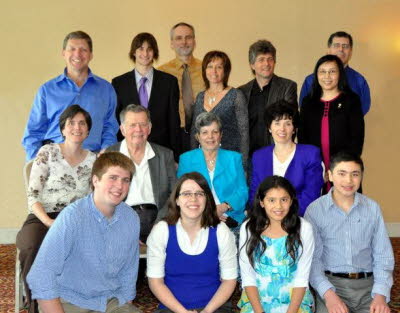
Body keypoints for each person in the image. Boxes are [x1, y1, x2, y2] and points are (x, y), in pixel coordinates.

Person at [27, 152, 141, 313]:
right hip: (69, 301)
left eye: (126, 180)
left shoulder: (131, 218)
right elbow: (41, 274)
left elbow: (129, 269)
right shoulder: (72, 217)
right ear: (95, 180)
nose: (120, 186)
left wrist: (126, 304)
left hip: (109, 301)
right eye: (113, 178)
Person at [16, 105, 96, 313]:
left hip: (76, 219)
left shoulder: (93, 159)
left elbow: (95, 198)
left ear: (88, 130)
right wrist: (49, 222)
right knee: (31, 246)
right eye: (71, 123)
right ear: (62, 129)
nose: (76, 127)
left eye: (82, 123)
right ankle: (36, 305)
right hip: (43, 216)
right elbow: (33, 195)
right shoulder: (47, 152)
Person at [304, 152, 394, 313]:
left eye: (355, 174)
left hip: (369, 287)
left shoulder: (372, 208)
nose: (348, 180)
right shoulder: (315, 210)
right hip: (332, 286)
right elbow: (313, 260)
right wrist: (328, 295)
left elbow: (383, 256)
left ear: (361, 177)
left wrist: (380, 294)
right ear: (330, 175)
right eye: (342, 173)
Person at [147, 172, 237, 312]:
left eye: (199, 194)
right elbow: (155, 282)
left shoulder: (221, 231)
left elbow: (229, 280)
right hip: (172, 309)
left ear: (207, 199)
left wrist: (207, 311)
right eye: (186, 194)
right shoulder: (161, 231)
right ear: (176, 200)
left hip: (214, 308)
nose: (193, 199)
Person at [22, 30, 119, 161]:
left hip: (94, 161)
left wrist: (106, 154)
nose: (77, 54)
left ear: (91, 55)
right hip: (54, 161)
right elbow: (33, 133)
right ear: (63, 53)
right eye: (72, 49)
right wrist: (36, 165)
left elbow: (110, 127)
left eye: (83, 50)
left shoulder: (106, 89)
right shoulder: (47, 90)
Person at [238, 176, 315, 313]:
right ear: (262, 202)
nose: (278, 206)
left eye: (284, 200)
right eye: (271, 200)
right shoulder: (248, 228)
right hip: (257, 302)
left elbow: (302, 277)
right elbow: (247, 276)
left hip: (294, 302)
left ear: (291, 201)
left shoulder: (304, 228)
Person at [107, 104, 176, 242]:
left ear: (149, 128)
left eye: (143, 124)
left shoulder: (164, 155)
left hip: (159, 220)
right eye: (132, 125)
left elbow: (174, 194)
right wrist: (125, 228)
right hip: (120, 221)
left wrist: (159, 225)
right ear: (122, 129)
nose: (138, 129)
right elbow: (104, 197)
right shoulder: (109, 155)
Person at [112, 32, 180, 159]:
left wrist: (175, 156)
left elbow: (174, 121)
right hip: (129, 151)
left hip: (161, 150)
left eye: (149, 49)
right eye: (140, 49)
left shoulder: (169, 82)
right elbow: (117, 120)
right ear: (134, 52)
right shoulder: (119, 83)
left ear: (154, 53)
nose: (145, 53)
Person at [298, 54, 364, 185]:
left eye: (332, 71)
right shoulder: (308, 102)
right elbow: (302, 138)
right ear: (316, 75)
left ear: (340, 74)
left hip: (344, 171)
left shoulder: (351, 100)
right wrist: (316, 168)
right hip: (315, 169)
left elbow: (357, 139)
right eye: (322, 72)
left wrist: (340, 169)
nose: (327, 76)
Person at [249, 100, 323, 216]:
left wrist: (283, 217)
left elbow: (311, 195)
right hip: (266, 219)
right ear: (269, 127)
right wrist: (268, 218)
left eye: (288, 123)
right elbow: (255, 194)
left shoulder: (310, 154)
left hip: (299, 218)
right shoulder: (259, 156)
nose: (282, 129)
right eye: (277, 123)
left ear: (294, 128)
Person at [178, 112, 247, 227]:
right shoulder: (186, 159)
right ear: (198, 136)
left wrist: (223, 207)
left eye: (215, 132)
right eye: (205, 132)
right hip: (197, 216)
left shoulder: (234, 158)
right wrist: (207, 212)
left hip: (230, 216)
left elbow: (242, 191)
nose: (210, 137)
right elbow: (182, 193)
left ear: (221, 135)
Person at [239, 40, 298, 156]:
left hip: (278, 155)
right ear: (252, 64)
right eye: (261, 59)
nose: (266, 64)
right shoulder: (242, 92)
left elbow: (291, 122)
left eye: (270, 59)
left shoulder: (287, 87)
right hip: (250, 157)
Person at [190, 50, 249, 165]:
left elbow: (244, 133)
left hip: (230, 158)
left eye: (219, 67)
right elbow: (194, 130)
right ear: (204, 70)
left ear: (225, 71)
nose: (214, 71)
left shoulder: (236, 95)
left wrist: (243, 163)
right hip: (204, 158)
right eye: (210, 66)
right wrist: (193, 157)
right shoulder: (200, 97)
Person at [300, 31, 371, 115]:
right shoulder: (311, 80)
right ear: (328, 50)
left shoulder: (359, 81)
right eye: (336, 45)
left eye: (345, 46)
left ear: (351, 51)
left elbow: (362, 108)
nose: (341, 49)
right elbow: (304, 108)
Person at [158, 22, 204, 152]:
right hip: (173, 135)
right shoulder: (161, 73)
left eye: (188, 37)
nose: (184, 42)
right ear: (171, 43)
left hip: (202, 134)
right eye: (178, 38)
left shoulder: (206, 69)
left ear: (194, 41)